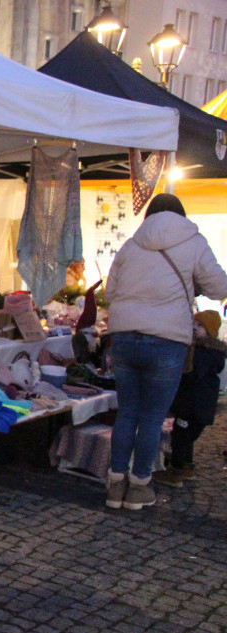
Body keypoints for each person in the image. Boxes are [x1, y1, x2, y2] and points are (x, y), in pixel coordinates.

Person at [104, 193, 227, 510]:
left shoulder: (131, 245)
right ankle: (140, 486)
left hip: (125, 338)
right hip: (166, 341)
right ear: (182, 216)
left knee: (127, 412)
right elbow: (219, 287)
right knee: (151, 417)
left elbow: (110, 293)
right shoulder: (194, 241)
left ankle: (115, 485)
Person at [153, 311, 226, 488]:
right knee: (187, 437)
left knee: (180, 436)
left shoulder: (199, 353)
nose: (194, 327)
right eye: (194, 323)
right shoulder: (213, 352)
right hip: (200, 406)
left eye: (200, 325)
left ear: (209, 330)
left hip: (191, 404)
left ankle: (176, 472)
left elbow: (190, 377)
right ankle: (187, 466)